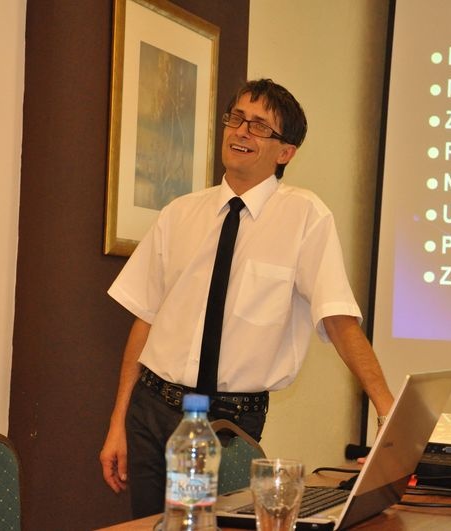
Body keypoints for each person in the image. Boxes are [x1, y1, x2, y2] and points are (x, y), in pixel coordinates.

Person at [99, 78, 394, 518]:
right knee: (147, 527)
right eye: (237, 118)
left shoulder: (305, 217)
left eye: (259, 126)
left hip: (230, 424)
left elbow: (337, 318)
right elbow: (145, 319)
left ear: (285, 152)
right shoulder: (179, 214)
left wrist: (386, 410)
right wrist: (118, 421)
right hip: (151, 410)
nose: (241, 131)